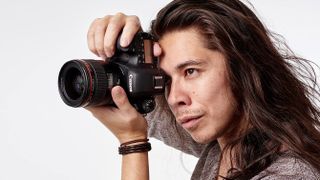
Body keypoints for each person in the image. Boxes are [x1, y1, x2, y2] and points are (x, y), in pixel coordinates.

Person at [86, 0, 320, 179]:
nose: (174, 98)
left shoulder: (290, 173)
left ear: (242, 66)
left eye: (190, 71)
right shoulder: (228, 142)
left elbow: (136, 122)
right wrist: (121, 44)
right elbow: (131, 103)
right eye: (166, 80)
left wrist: (132, 143)